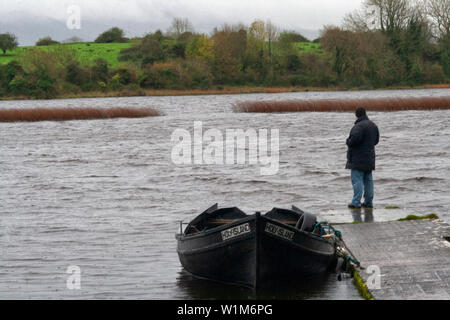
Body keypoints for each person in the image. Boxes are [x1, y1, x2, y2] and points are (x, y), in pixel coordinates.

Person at [346, 107, 380, 209]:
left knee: (357, 181)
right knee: (368, 181)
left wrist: (348, 141)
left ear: (357, 115)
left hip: (357, 159)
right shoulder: (373, 125)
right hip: (369, 158)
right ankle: (368, 202)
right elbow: (376, 141)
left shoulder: (358, 126)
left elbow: (353, 141)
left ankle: (356, 203)